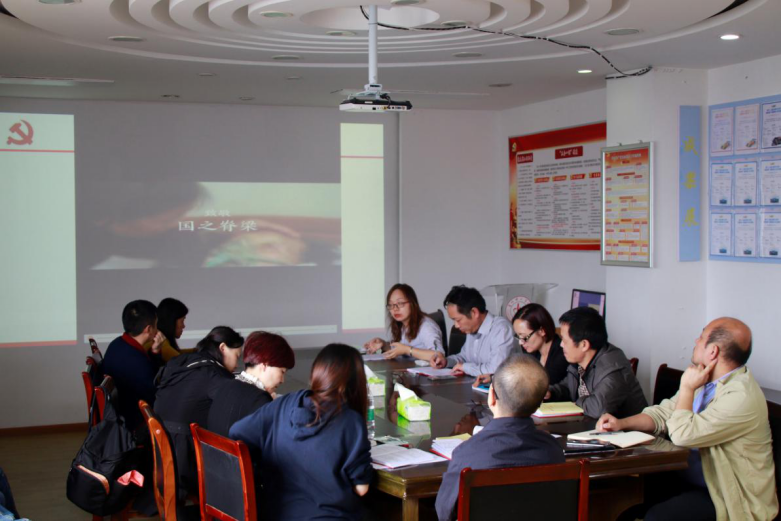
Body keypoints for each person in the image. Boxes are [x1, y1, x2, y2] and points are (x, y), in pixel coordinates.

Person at [597, 317, 778, 521]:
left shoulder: (740, 396)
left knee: (657, 517)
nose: (695, 341)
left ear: (713, 351)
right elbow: (664, 413)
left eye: (701, 337)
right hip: (691, 477)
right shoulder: (707, 379)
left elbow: (682, 434)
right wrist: (621, 423)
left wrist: (686, 388)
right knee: (625, 504)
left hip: (727, 496)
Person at [230, 343, 373, 521]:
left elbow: (237, 432)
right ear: (354, 382)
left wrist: (271, 463)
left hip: (275, 514)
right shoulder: (350, 421)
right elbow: (361, 488)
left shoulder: (286, 402)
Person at [435, 354, 565, 521]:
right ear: (539, 404)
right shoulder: (553, 450)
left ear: (491, 396)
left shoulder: (468, 453)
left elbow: (444, 511)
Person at [154, 326, 244, 497]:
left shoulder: (185, 360)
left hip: (162, 449)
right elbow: (235, 407)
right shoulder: (214, 375)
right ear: (223, 348)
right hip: (184, 458)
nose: (236, 364)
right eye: (237, 356)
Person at [546, 306, 647, 418]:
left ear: (584, 345)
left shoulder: (613, 369)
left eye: (565, 340)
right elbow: (569, 387)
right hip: (592, 426)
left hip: (628, 429)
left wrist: (575, 402)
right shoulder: (580, 363)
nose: (561, 345)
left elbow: (597, 408)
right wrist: (551, 392)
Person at [207, 331, 296, 437]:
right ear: (265, 364)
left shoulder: (226, 385)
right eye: (282, 371)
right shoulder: (259, 399)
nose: (282, 380)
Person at [473, 303, 569, 389]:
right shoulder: (533, 350)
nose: (520, 342)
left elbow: (536, 384)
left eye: (524, 337)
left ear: (541, 331)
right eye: (518, 336)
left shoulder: (563, 354)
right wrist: (494, 377)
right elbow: (523, 375)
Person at [102, 300, 164, 432]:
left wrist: (155, 351)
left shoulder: (118, 344)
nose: (158, 329)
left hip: (124, 415)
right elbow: (155, 394)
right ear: (148, 329)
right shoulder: (135, 359)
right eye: (156, 324)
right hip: (137, 422)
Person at [430, 285, 514, 376]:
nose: (456, 325)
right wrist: (446, 361)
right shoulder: (473, 329)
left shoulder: (501, 329)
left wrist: (465, 368)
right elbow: (464, 358)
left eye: (458, 320)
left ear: (474, 312)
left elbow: (496, 370)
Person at [364, 283, 444, 361]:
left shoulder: (426, 326)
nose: (395, 309)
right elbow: (400, 350)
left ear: (412, 303)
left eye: (400, 303)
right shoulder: (403, 325)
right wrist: (384, 345)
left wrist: (407, 350)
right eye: (391, 305)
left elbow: (438, 355)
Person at [148, 297, 193, 362]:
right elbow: (180, 362)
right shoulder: (159, 340)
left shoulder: (161, 338)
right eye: (182, 321)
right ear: (171, 321)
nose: (183, 326)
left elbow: (177, 353)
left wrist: (199, 350)